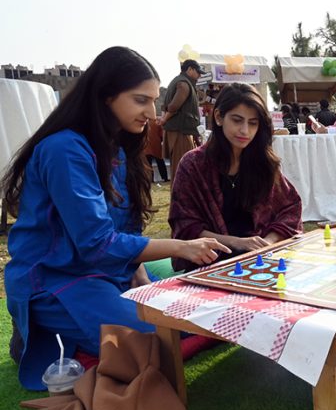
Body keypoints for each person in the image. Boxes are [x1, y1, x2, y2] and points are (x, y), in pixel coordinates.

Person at [1, 47, 230, 390]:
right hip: (56, 280)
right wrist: (183, 247)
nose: (152, 113)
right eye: (141, 100)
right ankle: (39, 329)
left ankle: (87, 330)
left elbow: (125, 230)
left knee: (191, 314)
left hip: (108, 271)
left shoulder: (118, 148)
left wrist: (146, 286)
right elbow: (96, 243)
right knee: (155, 338)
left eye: (154, 101)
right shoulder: (64, 149)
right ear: (106, 96)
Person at [169, 83, 303, 272]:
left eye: (253, 123)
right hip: (209, 261)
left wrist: (267, 243)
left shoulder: (263, 162)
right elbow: (186, 225)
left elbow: (290, 207)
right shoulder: (193, 164)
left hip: (261, 260)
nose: (245, 131)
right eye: (237, 120)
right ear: (218, 117)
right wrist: (237, 243)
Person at [161, 59, 204, 181]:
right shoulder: (184, 84)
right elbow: (174, 106)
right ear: (190, 69)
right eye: (198, 72)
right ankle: (179, 198)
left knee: (180, 167)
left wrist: (164, 118)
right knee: (182, 168)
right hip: (181, 131)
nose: (199, 75)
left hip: (179, 130)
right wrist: (164, 119)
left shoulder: (179, 81)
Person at [144, 109, 169, 182]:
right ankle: (165, 177)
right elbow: (162, 135)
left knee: (148, 164)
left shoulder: (144, 123)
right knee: (160, 162)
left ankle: (151, 179)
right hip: (156, 145)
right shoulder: (157, 123)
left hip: (146, 146)